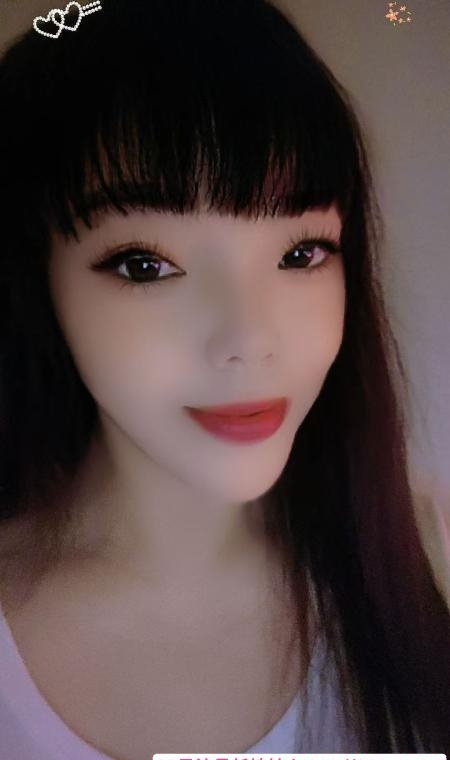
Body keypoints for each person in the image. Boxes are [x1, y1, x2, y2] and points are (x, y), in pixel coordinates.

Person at [0, 0, 448, 757]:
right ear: (36, 283)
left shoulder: (423, 555)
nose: (250, 341)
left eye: (301, 254)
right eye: (146, 265)